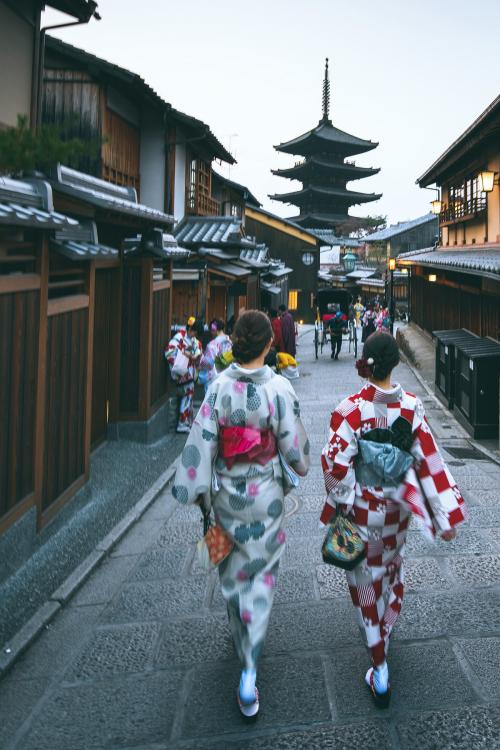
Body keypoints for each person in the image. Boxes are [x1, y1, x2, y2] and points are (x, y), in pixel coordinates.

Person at [172, 310, 310, 718]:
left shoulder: (217, 387)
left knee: (232, 571)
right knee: (261, 573)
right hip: (265, 494)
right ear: (269, 345)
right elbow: (295, 452)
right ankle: (249, 670)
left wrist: (200, 495)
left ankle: (241, 636)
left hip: (226, 495)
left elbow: (202, 444)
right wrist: (297, 462)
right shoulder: (279, 388)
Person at [319, 332, 467, 707]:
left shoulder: (350, 409)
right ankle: (385, 630)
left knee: (364, 580)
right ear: (396, 362)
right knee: (389, 570)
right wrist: (443, 514)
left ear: (366, 364)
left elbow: (334, 463)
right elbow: (430, 462)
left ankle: (379, 662)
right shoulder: (412, 408)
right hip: (396, 514)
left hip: (362, 510)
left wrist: (345, 498)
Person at [165, 317, 202, 433]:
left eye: (196, 333)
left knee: (189, 399)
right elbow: (169, 353)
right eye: (194, 331)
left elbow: (198, 354)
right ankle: (182, 424)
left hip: (190, 374)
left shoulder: (194, 340)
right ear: (190, 328)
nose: (195, 335)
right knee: (187, 399)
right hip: (182, 373)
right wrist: (186, 355)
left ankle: (186, 423)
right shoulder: (178, 338)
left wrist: (196, 357)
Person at [198, 318, 232, 391]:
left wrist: (201, 358)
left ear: (214, 330)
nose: (211, 333)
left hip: (214, 379)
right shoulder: (230, 343)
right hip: (228, 377)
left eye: (211, 330)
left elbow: (208, 363)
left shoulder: (212, 345)